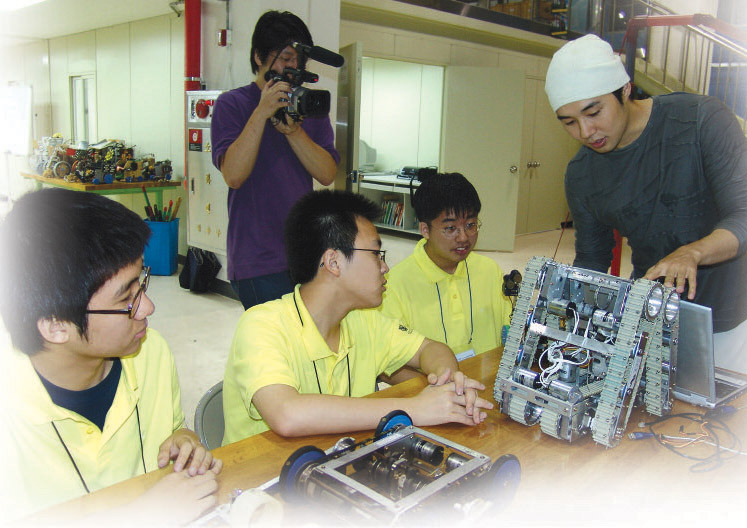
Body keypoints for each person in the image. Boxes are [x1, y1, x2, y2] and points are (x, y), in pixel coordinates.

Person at [543, 34, 747, 374]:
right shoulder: (582, 174)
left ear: (625, 90)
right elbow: (592, 258)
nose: (587, 131)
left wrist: (692, 253)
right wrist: (569, 313)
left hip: (726, 319)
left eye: (594, 112)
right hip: (652, 318)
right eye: (569, 122)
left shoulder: (699, 121)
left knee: (723, 418)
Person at [0, 188, 222, 523]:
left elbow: (170, 428)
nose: (148, 307)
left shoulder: (151, 352)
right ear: (56, 325)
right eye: (125, 299)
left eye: (141, 285)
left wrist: (183, 440)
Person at [221, 190, 493, 444]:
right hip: (262, 482)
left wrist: (447, 383)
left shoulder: (364, 320)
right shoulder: (261, 325)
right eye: (376, 254)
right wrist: (414, 408)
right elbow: (287, 414)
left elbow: (431, 349)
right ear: (334, 262)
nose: (385, 267)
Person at [211, 10, 340, 310]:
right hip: (257, 260)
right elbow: (234, 175)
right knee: (273, 350)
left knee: (305, 346)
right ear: (259, 56)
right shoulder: (232, 105)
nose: (292, 66)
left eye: (298, 59)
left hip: (305, 255)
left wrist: (294, 132)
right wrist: (262, 111)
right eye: (284, 57)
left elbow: (326, 173)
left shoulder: (308, 106)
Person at [380, 173, 512, 383]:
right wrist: (441, 390)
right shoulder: (394, 285)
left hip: (491, 385)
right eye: (450, 228)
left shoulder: (489, 271)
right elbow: (385, 365)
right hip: (434, 396)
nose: (464, 237)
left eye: (471, 225)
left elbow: (510, 336)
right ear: (425, 229)